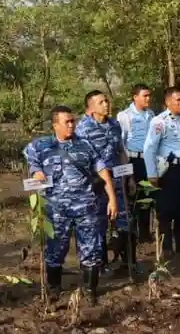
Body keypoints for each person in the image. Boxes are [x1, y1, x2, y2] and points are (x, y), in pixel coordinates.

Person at [24, 106, 116, 305]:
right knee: (55, 250)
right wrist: (36, 171)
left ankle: (90, 291)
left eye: (73, 121)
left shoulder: (85, 145)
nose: (72, 125)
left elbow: (102, 171)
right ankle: (54, 289)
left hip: (86, 207)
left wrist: (112, 199)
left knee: (91, 249)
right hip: (56, 210)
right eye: (67, 122)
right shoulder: (41, 145)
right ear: (55, 125)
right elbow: (30, 159)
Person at [75, 90, 133, 275]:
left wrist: (129, 177)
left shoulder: (114, 124)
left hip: (117, 181)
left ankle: (128, 262)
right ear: (90, 107)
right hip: (96, 184)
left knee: (124, 221)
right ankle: (99, 265)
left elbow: (121, 151)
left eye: (106, 101)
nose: (106, 104)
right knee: (98, 225)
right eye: (101, 102)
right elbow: (82, 160)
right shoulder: (83, 129)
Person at [142, 86, 180, 256]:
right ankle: (166, 248)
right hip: (169, 170)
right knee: (166, 209)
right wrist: (152, 174)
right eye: (178, 100)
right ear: (168, 102)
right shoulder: (159, 121)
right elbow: (149, 148)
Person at [116, 84, 155, 242]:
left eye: (149, 95)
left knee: (147, 195)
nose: (148, 98)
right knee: (132, 196)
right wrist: (126, 168)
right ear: (135, 97)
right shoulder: (125, 116)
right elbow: (121, 143)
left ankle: (145, 233)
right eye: (145, 95)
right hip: (133, 159)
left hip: (148, 160)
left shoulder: (151, 114)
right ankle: (130, 233)